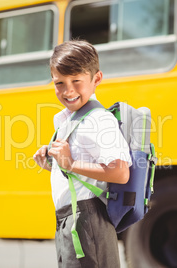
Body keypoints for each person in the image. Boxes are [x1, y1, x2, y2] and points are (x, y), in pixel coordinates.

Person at [33, 40, 131, 268]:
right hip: (70, 219)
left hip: (87, 222)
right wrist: (53, 163)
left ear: (96, 79)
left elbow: (120, 172)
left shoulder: (99, 119)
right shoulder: (67, 119)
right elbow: (78, 176)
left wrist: (69, 163)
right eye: (59, 83)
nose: (68, 90)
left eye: (76, 81)